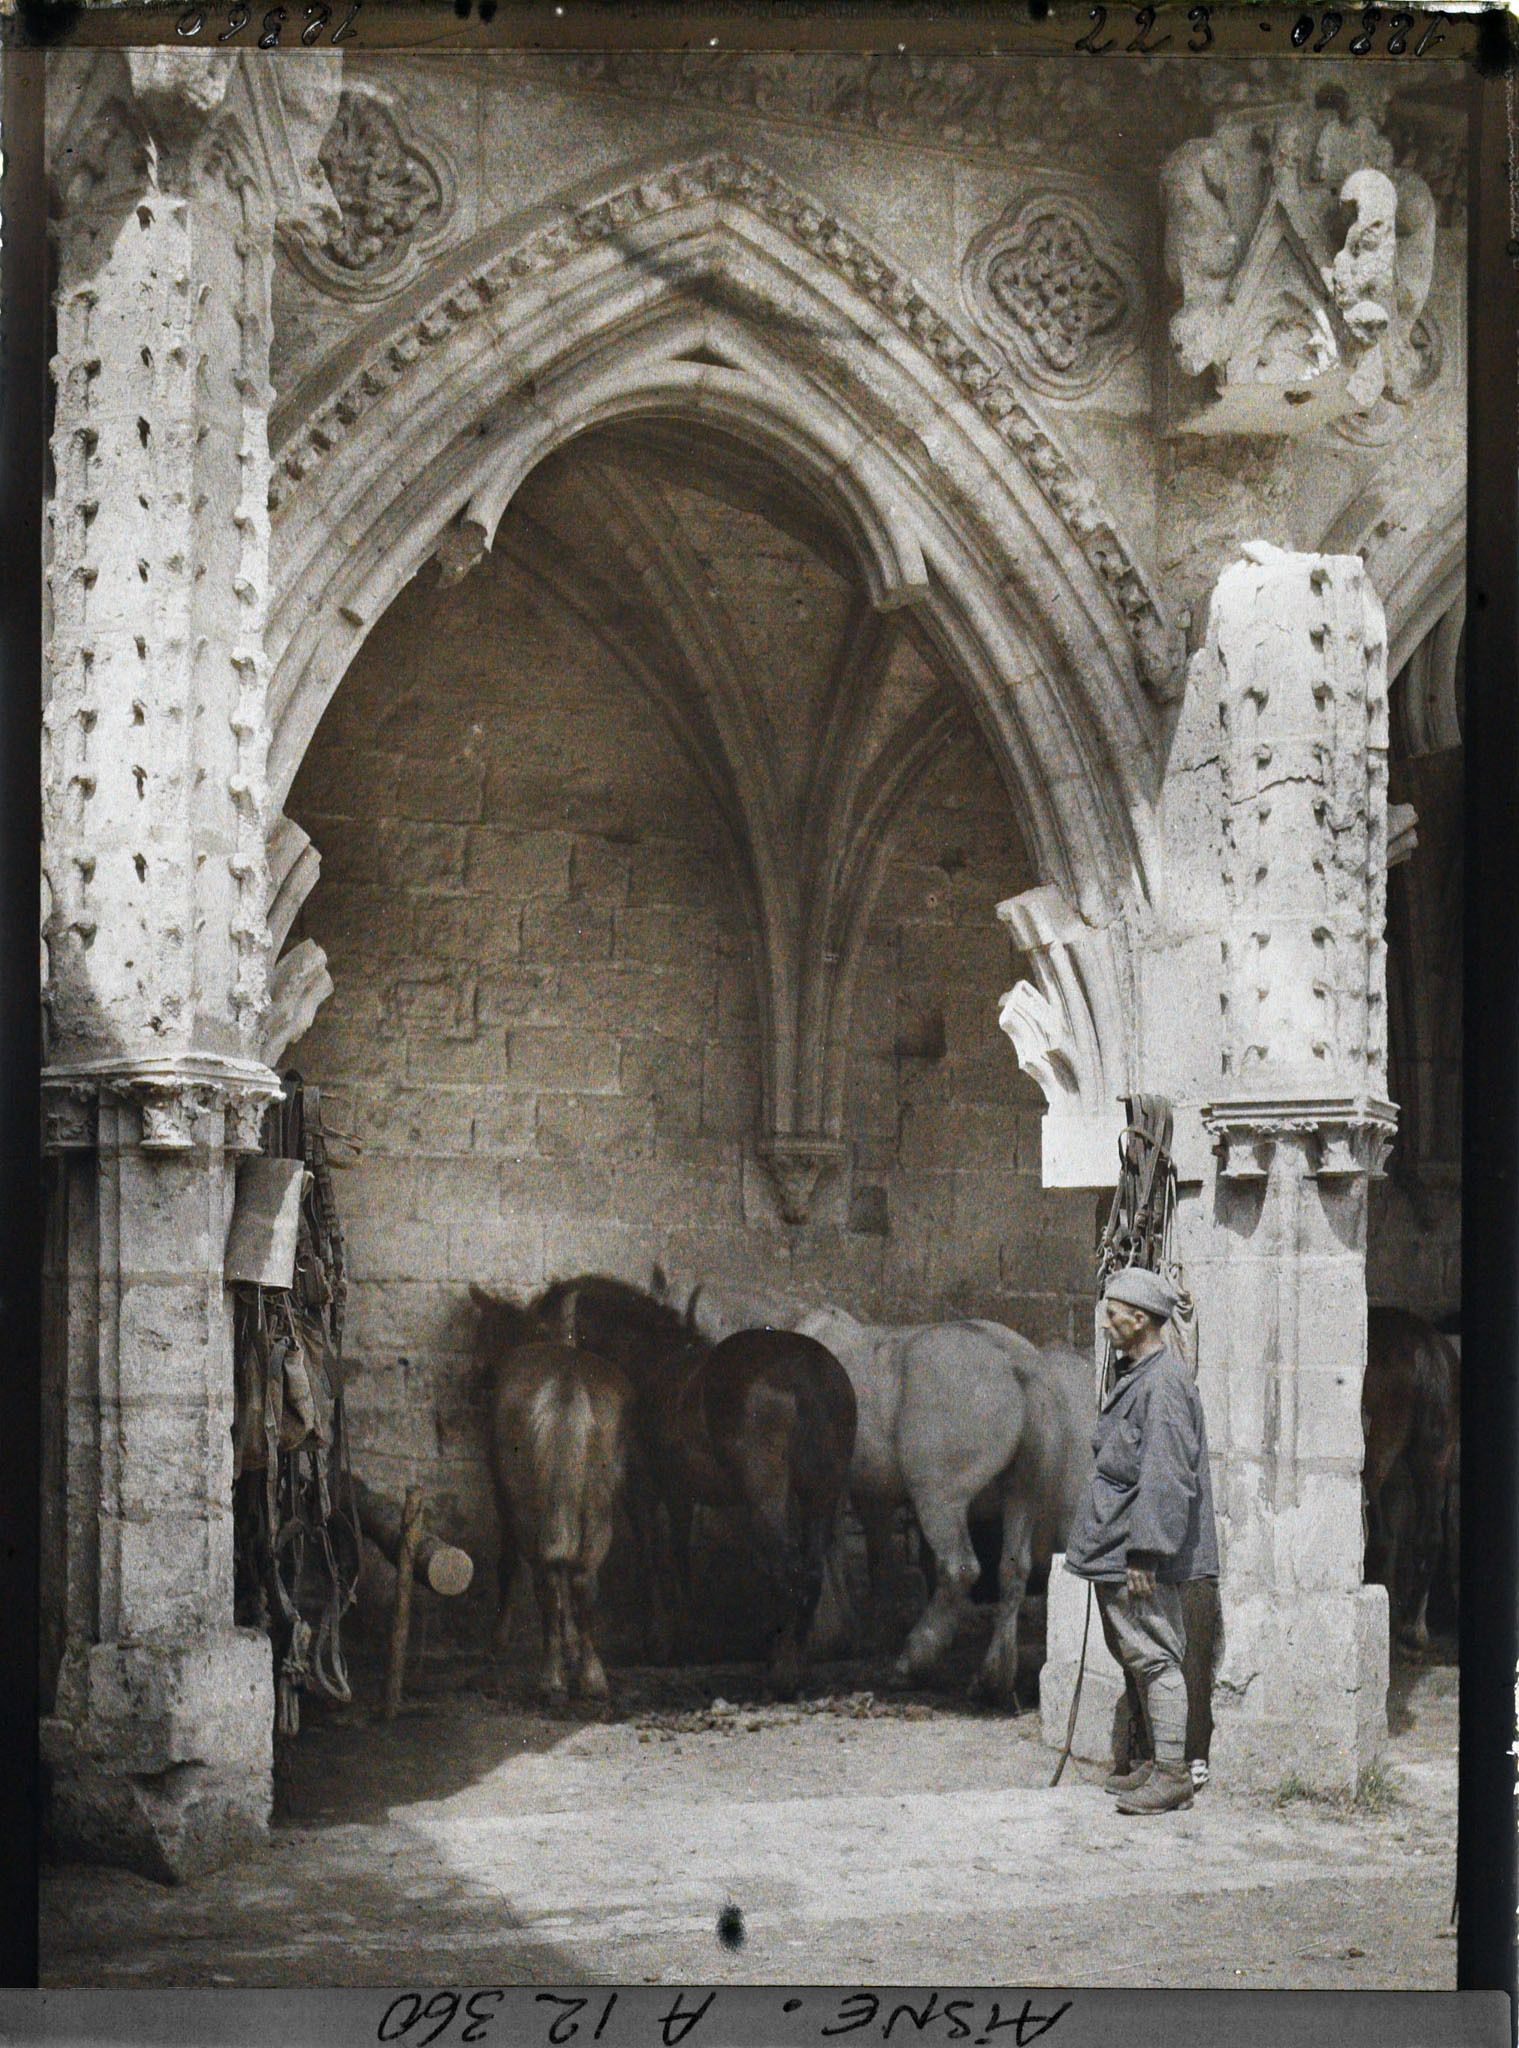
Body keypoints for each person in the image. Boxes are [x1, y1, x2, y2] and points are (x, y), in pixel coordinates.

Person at [1064, 1266, 1220, 1815]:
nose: (1105, 1323)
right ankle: (1158, 1763)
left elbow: (1167, 1473)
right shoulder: (1141, 1375)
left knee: (1154, 1655)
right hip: (1119, 1538)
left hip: (1136, 1545)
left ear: (1140, 1318)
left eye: (1112, 1314)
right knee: (1137, 1651)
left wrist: (1147, 1551)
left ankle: (1174, 1774)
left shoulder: (1164, 1383)